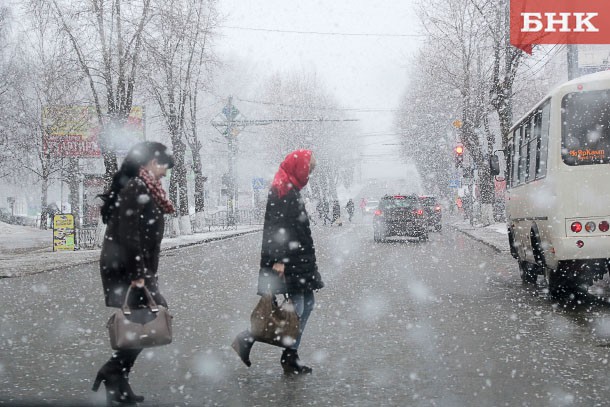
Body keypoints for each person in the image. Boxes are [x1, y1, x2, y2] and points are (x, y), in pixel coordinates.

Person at [92, 141, 174, 404]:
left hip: (134, 267)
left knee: (144, 322)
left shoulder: (145, 187)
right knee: (150, 320)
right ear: (150, 162)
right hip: (128, 268)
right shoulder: (136, 188)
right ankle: (114, 371)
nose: (164, 172)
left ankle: (117, 379)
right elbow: (130, 235)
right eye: (163, 166)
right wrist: (138, 274)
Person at [232, 149, 324, 375]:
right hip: (289, 260)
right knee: (297, 308)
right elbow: (277, 228)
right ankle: (257, 341)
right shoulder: (283, 190)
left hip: (299, 259)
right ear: (299, 168)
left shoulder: (290, 187)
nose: (308, 174)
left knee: (306, 305)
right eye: (308, 170)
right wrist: (279, 260)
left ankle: (288, 353)